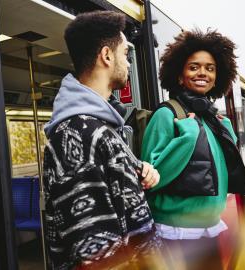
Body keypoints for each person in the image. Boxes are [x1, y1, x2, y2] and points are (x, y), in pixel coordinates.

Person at [43, 10, 163, 270]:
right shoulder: (75, 134)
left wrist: (137, 172)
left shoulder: (99, 126)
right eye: (125, 55)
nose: (129, 64)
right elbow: (96, 253)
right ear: (106, 56)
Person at [141, 29, 245, 269]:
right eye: (194, 67)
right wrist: (187, 137)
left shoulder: (213, 120)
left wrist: (227, 135)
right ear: (179, 76)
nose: (203, 72)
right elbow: (151, 179)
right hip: (176, 235)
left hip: (209, 229)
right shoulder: (166, 115)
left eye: (210, 68)